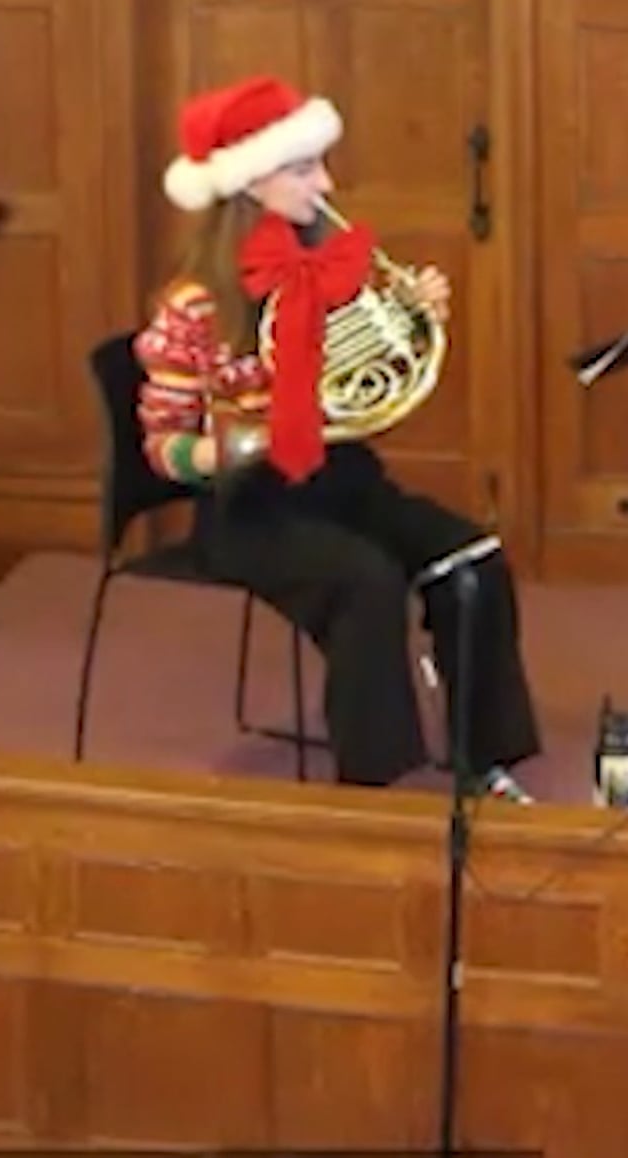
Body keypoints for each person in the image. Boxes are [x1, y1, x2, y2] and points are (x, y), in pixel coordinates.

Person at [136, 74, 541, 799]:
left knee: (473, 560)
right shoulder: (193, 304)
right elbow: (163, 444)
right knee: (367, 583)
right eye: (303, 168)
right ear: (251, 181)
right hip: (249, 508)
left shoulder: (331, 272)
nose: (324, 182)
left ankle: (484, 762)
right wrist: (234, 447)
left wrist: (409, 318)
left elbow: (366, 371)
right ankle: (371, 791)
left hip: (342, 479)